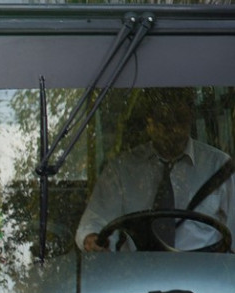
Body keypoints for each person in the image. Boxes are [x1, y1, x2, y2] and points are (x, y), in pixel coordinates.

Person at [76, 88, 235, 253]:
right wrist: (92, 238)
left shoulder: (220, 168)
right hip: (135, 271)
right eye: (164, 122)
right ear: (149, 123)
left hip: (205, 273)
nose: (173, 129)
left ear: (190, 118)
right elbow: (94, 221)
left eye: (180, 120)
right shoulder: (122, 169)